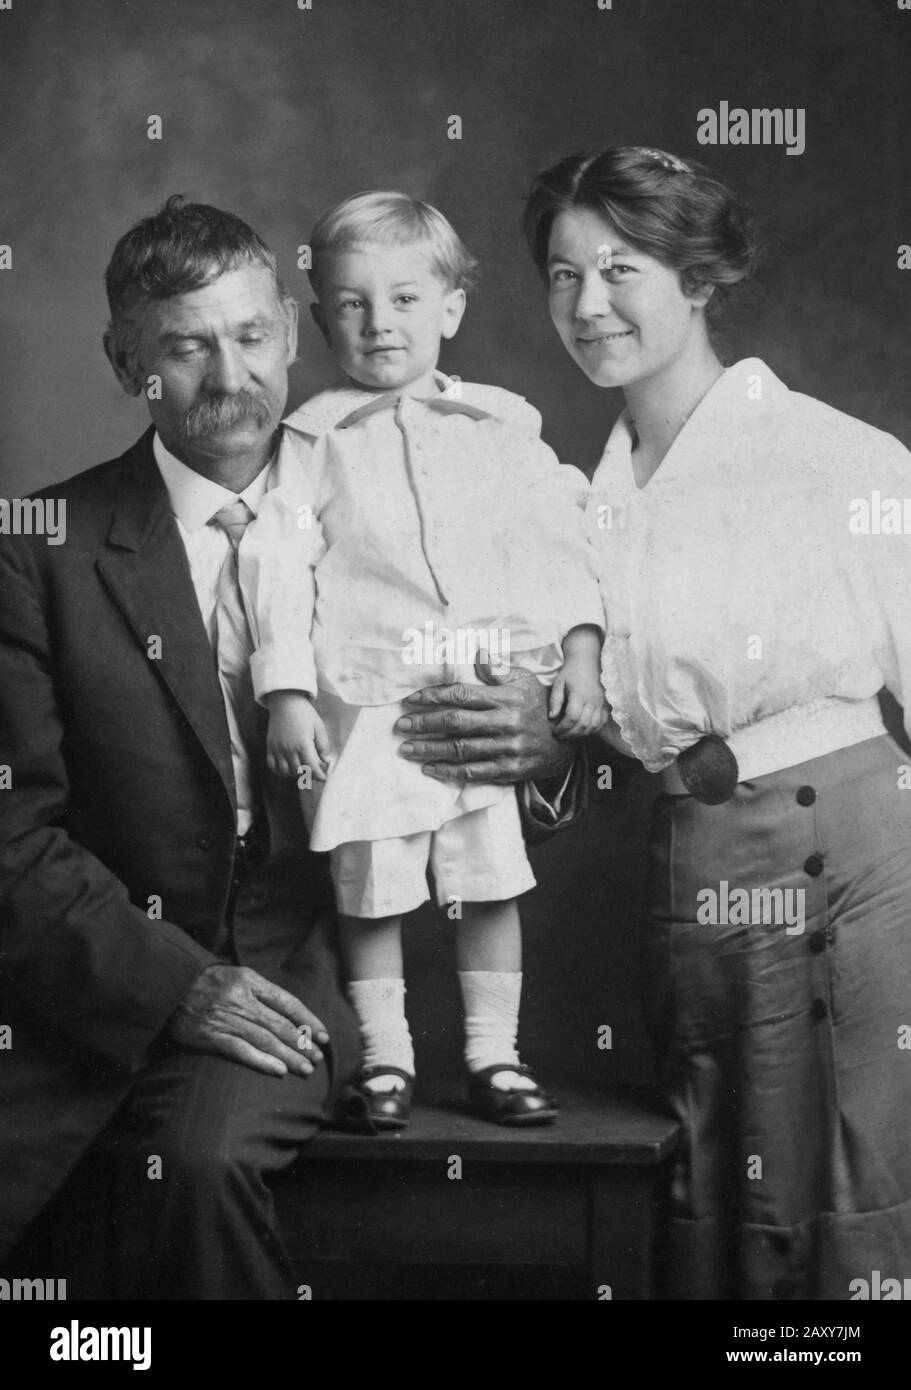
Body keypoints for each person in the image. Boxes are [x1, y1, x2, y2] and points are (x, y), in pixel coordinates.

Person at [402, 142, 911, 1300]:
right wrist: (538, 748)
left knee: (850, 1181)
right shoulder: (581, 505)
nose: (587, 305)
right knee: (723, 1189)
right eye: (563, 275)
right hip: (690, 870)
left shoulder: (837, 459)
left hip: (857, 866)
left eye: (621, 269)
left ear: (696, 277)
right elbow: (611, 755)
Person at [0, 195, 365, 1299]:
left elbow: (532, 725)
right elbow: (12, 836)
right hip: (95, 987)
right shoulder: (37, 551)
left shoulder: (388, 516)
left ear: (291, 334)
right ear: (127, 364)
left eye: (252, 335)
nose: (229, 374)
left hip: (317, 973)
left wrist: (537, 738)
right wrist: (176, 984)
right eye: (185, 345)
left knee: (194, 1169)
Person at [238, 191, 606, 1130]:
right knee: (372, 886)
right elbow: (277, 566)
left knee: (487, 880)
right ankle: (387, 1059)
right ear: (319, 320)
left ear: (450, 308)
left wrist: (579, 648)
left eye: (405, 299)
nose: (378, 322)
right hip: (366, 701)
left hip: (478, 691)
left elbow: (556, 543)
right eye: (352, 303)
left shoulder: (500, 426)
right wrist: (285, 691)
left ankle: (494, 1056)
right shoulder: (310, 444)